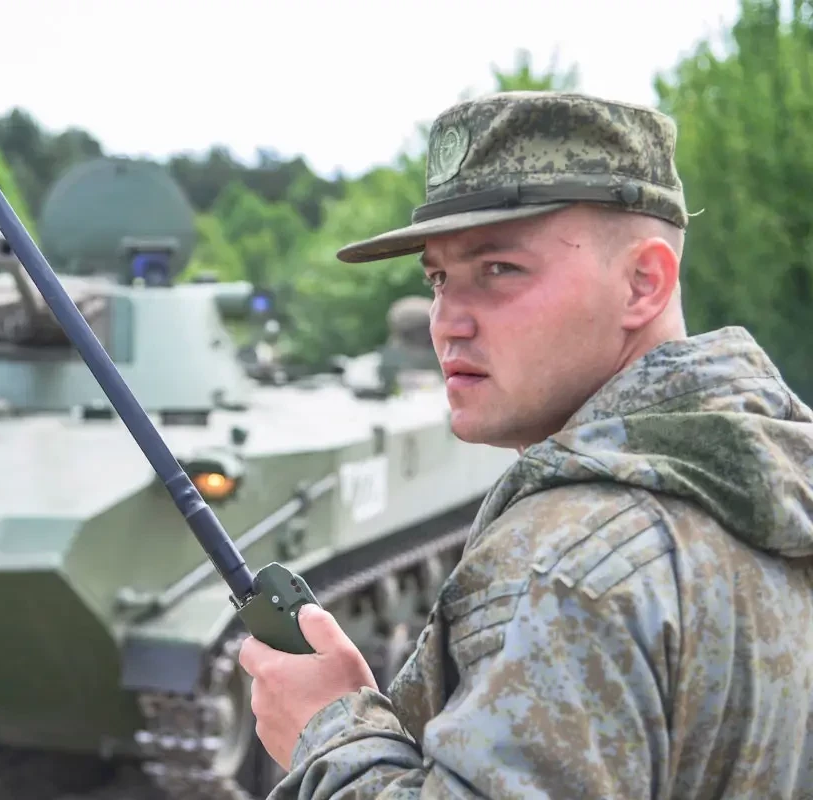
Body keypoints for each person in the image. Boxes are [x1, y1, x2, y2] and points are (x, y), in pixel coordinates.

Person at [238, 90, 813, 798]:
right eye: (439, 279)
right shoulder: (776, 482)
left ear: (643, 283)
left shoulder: (566, 568)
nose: (447, 322)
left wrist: (329, 730)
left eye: (499, 270)